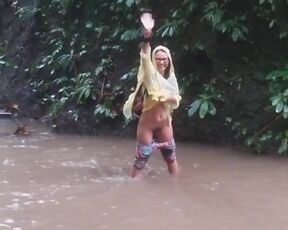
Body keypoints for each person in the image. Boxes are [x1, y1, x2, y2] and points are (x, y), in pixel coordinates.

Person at [123, 12, 182, 178]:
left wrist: (167, 98)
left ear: (169, 60)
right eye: (158, 59)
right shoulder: (150, 75)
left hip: (165, 124)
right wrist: (147, 38)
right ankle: (132, 189)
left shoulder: (171, 78)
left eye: (164, 59)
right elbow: (144, 57)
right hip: (147, 125)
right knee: (141, 162)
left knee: (171, 158)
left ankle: (177, 186)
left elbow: (177, 98)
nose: (161, 62)